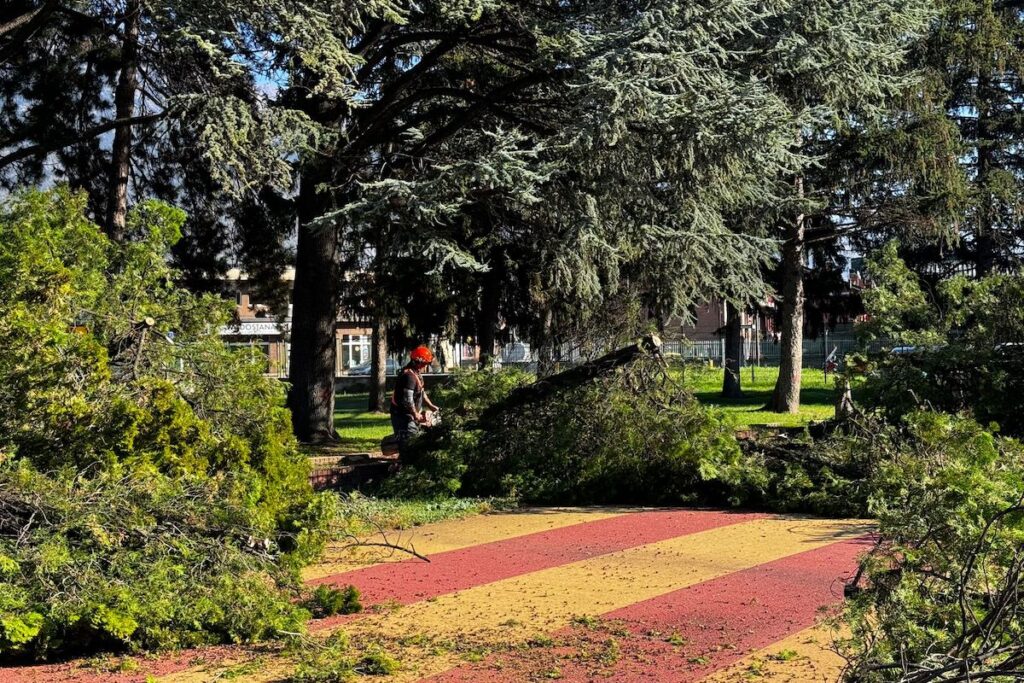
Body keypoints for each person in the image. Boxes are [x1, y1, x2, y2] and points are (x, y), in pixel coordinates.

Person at [390, 345, 439, 451]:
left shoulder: (416, 374)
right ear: (419, 362)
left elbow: (421, 391)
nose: (426, 366)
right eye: (426, 363)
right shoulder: (409, 377)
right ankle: (406, 464)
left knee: (416, 440)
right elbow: (408, 399)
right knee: (409, 442)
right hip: (402, 416)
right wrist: (415, 414)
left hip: (408, 414)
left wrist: (430, 405)